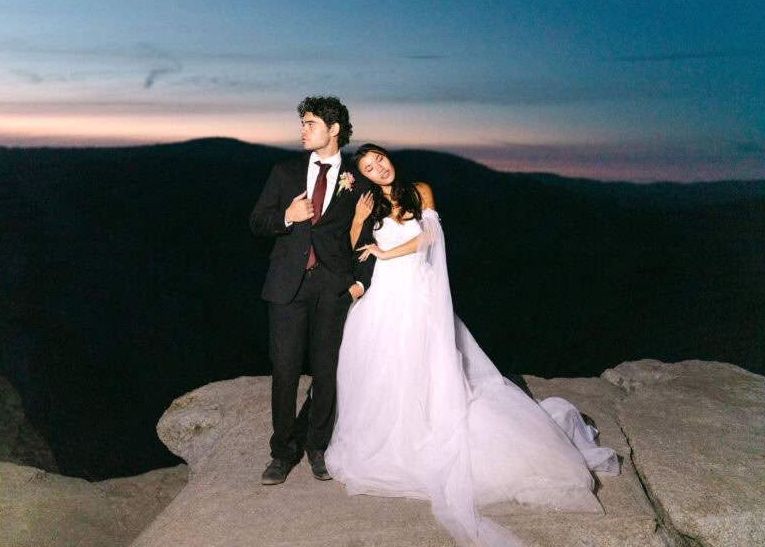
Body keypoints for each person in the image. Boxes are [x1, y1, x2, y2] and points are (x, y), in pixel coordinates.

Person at [325, 144, 620, 547]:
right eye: (370, 168)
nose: (379, 168)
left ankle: (428, 428)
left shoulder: (420, 190)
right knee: (386, 370)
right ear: (365, 177)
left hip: (417, 293)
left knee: (427, 366)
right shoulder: (370, 205)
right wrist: (359, 221)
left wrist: (387, 251)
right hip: (383, 298)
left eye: (380, 159)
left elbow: (431, 236)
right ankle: (395, 436)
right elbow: (352, 250)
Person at [249, 96, 375, 485]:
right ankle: (281, 453)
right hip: (287, 285)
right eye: (302, 123)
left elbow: (365, 239)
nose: (302, 131)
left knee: (327, 370)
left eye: (310, 124)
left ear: (333, 129)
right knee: (285, 370)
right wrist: (287, 216)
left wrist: (359, 284)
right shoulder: (284, 172)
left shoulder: (357, 180)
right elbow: (257, 221)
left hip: (333, 288)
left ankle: (318, 447)